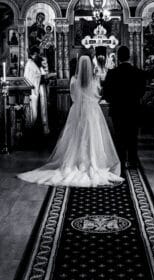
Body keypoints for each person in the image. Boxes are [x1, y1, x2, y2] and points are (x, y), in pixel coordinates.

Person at [18, 55, 123, 187]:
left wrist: (81, 100)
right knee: (93, 136)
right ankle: (93, 160)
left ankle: (78, 161)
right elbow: (98, 94)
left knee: (76, 137)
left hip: (77, 110)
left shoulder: (74, 79)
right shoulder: (95, 79)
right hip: (92, 111)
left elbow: (73, 95)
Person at [102, 46, 147, 174]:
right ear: (129, 56)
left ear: (118, 57)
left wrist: (115, 100)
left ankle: (120, 161)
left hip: (117, 109)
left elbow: (106, 94)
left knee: (119, 136)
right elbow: (142, 92)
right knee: (132, 135)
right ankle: (132, 161)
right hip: (133, 109)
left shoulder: (112, 73)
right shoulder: (138, 72)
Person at [24, 47, 50, 135]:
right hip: (33, 91)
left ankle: (43, 128)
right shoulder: (29, 64)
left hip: (40, 89)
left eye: (37, 54)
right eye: (36, 54)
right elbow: (29, 78)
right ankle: (32, 129)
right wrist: (41, 77)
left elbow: (42, 74)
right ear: (32, 55)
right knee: (34, 110)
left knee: (42, 108)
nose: (37, 55)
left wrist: (44, 77)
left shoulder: (37, 63)